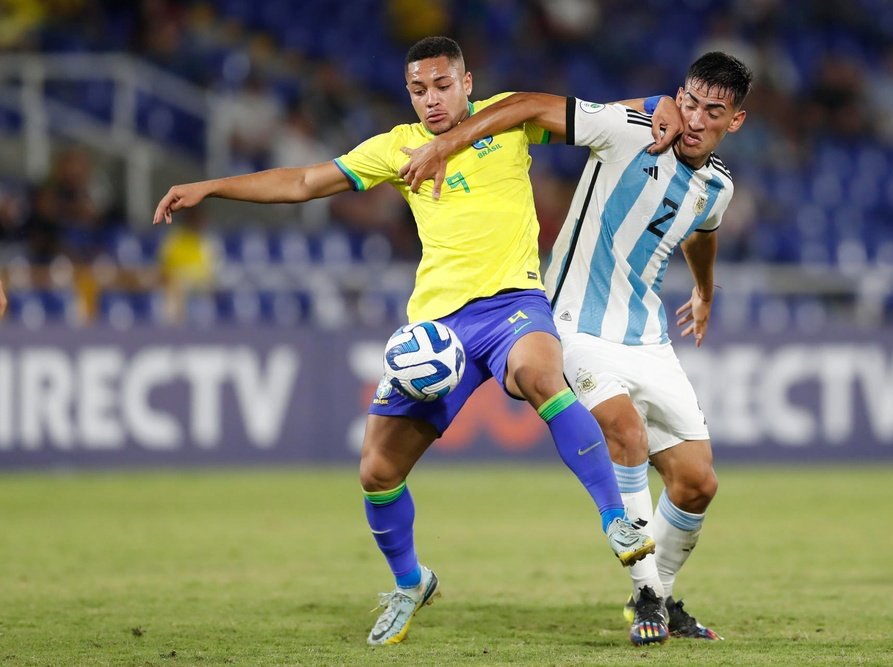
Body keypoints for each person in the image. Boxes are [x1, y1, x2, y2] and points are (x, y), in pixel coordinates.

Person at [153, 36, 671, 647]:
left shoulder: (506, 119)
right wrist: (212, 185)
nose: (431, 99)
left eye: (442, 85)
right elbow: (303, 182)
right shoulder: (396, 148)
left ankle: (616, 519)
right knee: (377, 470)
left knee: (538, 371)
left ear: (467, 82)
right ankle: (410, 583)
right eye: (419, 89)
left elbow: (600, 114)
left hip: (514, 303)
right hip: (439, 329)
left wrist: (660, 100)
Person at [400, 51, 752, 646]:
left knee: (698, 483)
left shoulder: (718, 186)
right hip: (574, 325)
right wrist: (445, 145)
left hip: (648, 340)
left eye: (711, 111)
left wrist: (705, 289)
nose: (693, 118)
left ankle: (659, 594)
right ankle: (646, 596)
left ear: (734, 121)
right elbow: (523, 106)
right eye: (688, 101)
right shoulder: (627, 130)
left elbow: (702, 231)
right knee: (626, 434)